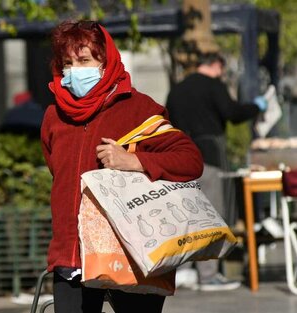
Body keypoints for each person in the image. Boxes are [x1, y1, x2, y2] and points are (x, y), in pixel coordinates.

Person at [40, 20, 204, 313]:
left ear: (105, 61)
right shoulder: (54, 115)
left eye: (84, 60)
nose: (75, 70)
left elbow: (190, 160)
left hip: (129, 255)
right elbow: (58, 173)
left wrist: (134, 161)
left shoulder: (137, 108)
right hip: (70, 258)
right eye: (68, 63)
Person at [165, 52, 267, 291]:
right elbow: (232, 113)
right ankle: (208, 274)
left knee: (185, 217)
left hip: (178, 159)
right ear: (216, 65)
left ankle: (183, 271)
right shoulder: (214, 85)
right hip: (207, 158)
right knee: (210, 215)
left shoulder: (177, 89)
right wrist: (256, 107)